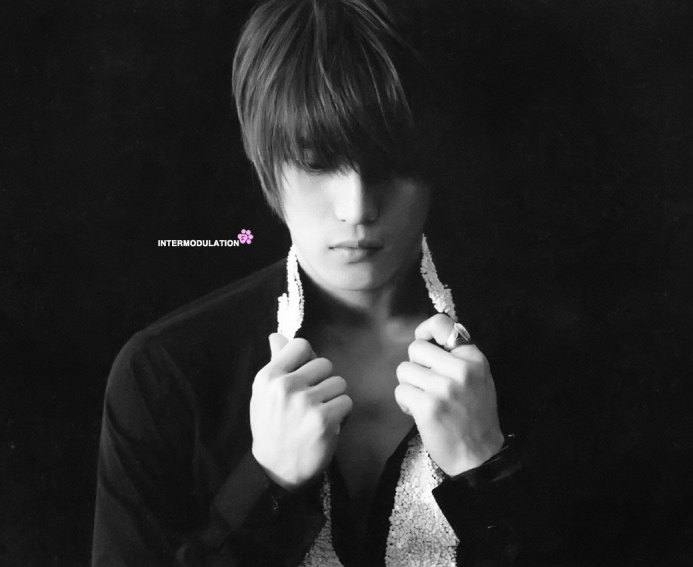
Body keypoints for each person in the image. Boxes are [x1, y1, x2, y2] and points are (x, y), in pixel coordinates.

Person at [92, 0, 563, 564]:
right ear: (266, 161)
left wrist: (485, 469)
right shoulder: (162, 375)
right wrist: (267, 484)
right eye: (316, 162)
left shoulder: (545, 353)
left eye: (390, 163)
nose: (358, 208)